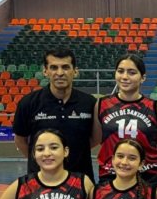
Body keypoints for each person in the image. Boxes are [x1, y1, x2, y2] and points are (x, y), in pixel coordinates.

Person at [13, 48, 99, 180]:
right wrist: (42, 160)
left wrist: (76, 150)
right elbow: (20, 141)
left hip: (80, 180)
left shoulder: (89, 103)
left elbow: (94, 139)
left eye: (65, 67)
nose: (60, 73)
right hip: (40, 181)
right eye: (53, 67)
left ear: (75, 71)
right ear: (45, 71)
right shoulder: (28, 103)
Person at [95, 54, 157, 185]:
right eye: (120, 71)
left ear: (143, 77)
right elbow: (95, 139)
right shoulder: (101, 104)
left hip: (149, 177)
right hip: (111, 175)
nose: (125, 77)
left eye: (132, 72)